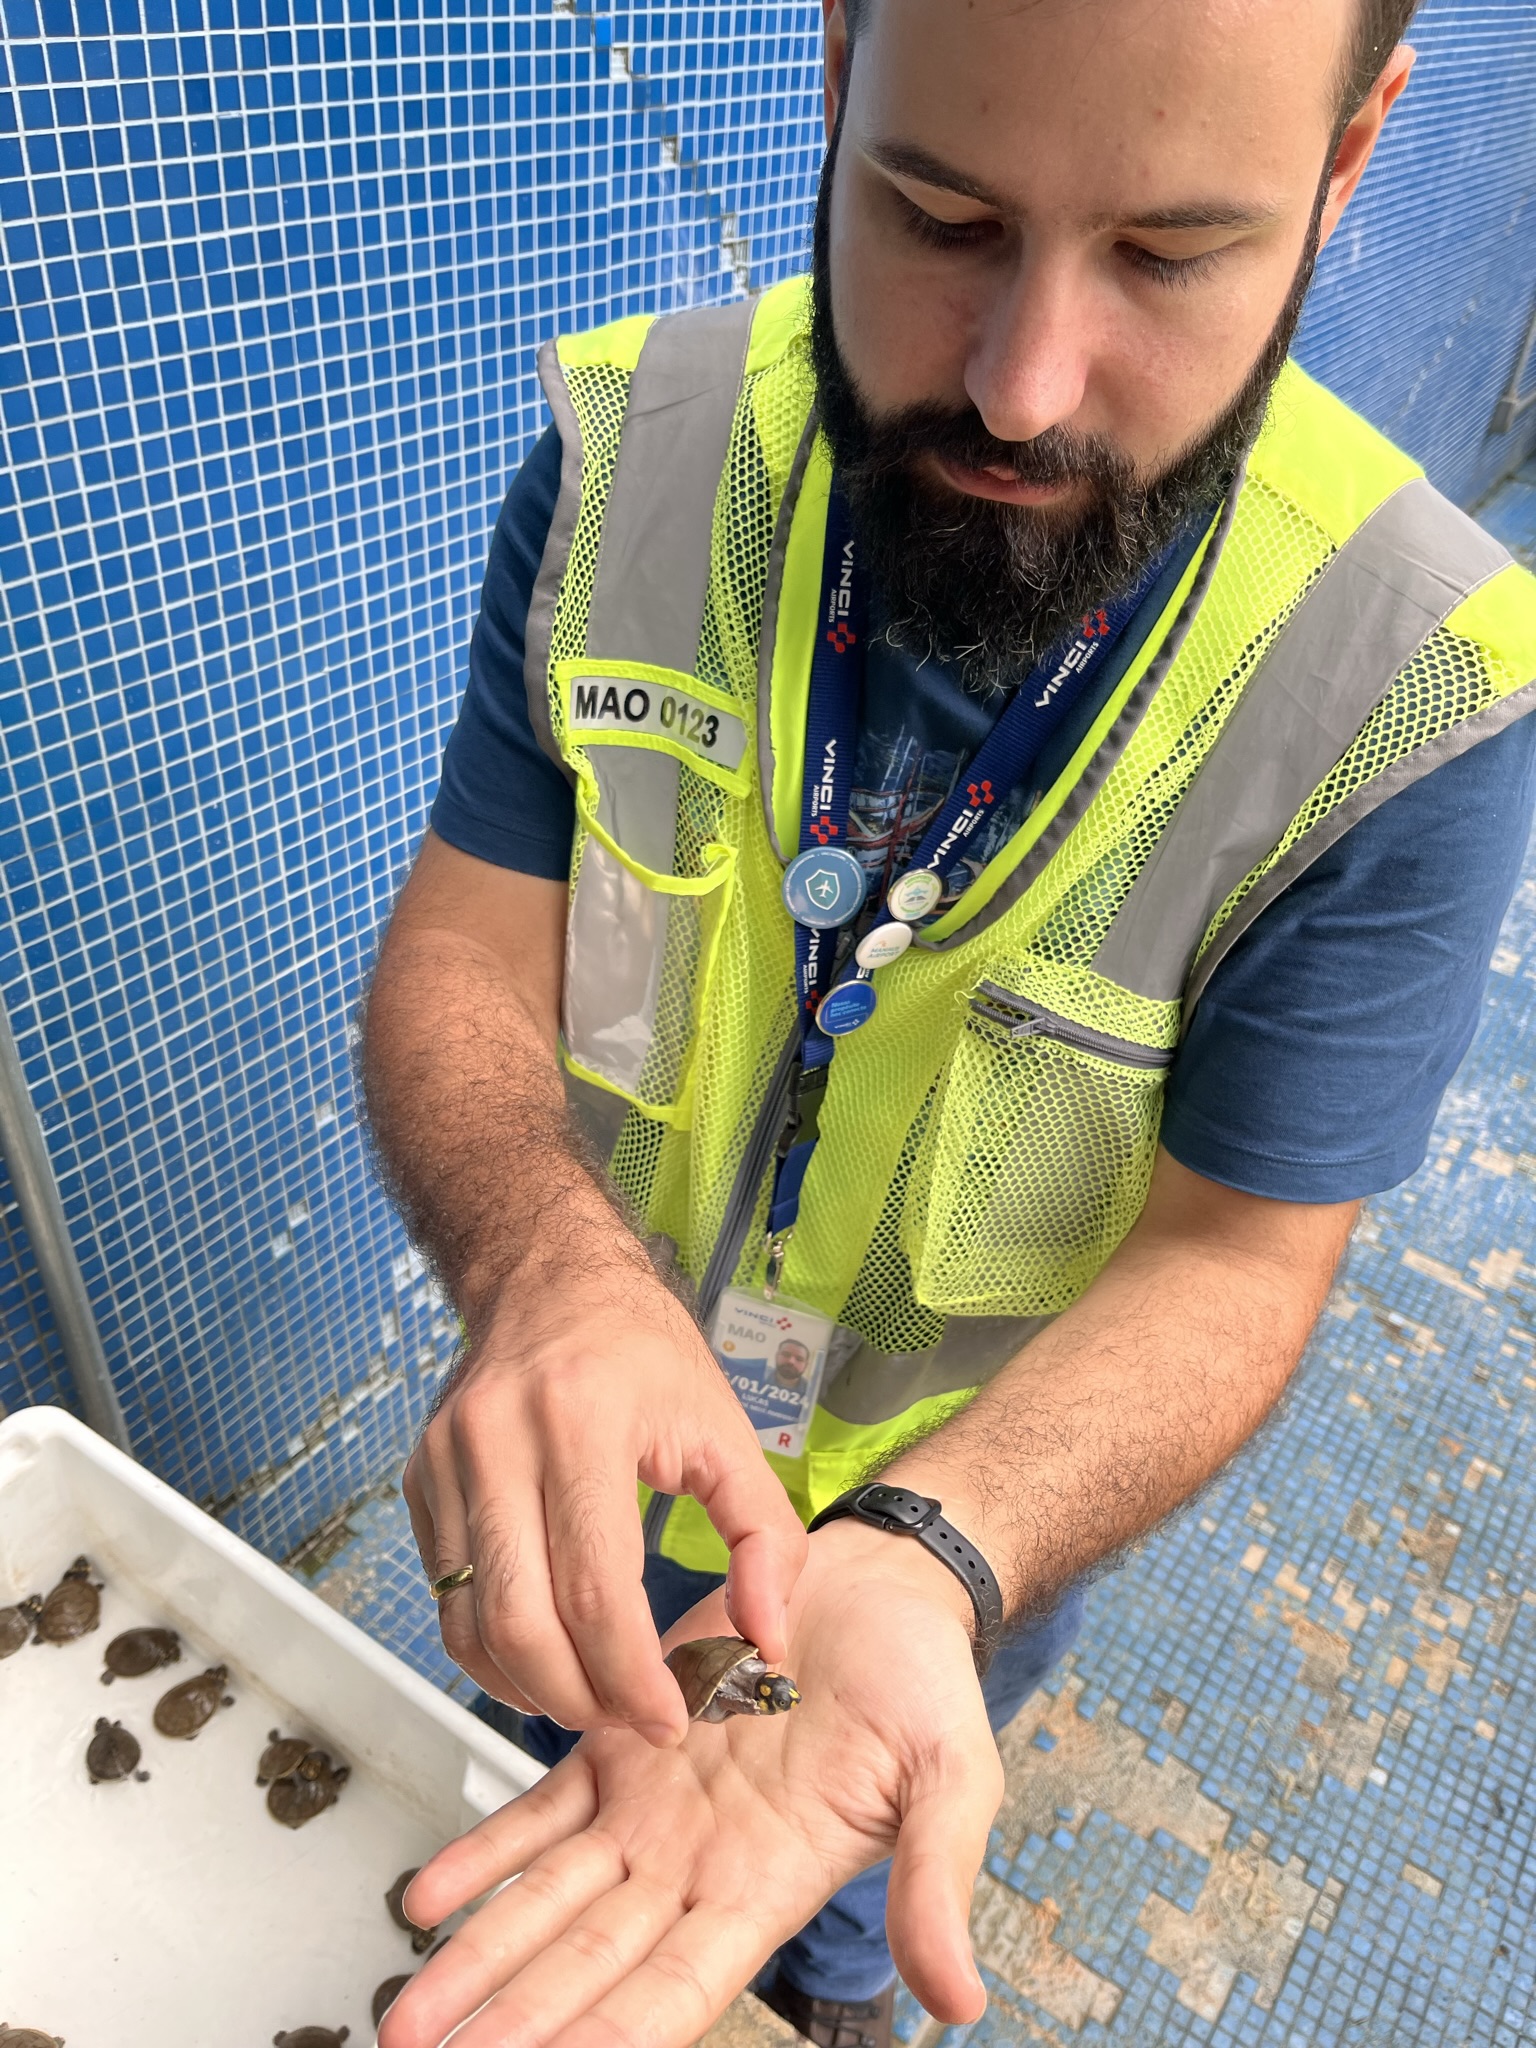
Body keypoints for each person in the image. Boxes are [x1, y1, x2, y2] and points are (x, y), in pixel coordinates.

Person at [363, 0, 1536, 2043]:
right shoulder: (641, 452)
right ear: (836, 63)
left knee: (835, 1885)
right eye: (936, 215)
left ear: (1352, 155)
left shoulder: (1413, 689)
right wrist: (545, 1273)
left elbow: (1238, 1252)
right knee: (541, 1788)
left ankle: (835, 1990)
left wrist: (933, 1547)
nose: (1020, 383)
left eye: (1169, 253)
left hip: (950, 1536)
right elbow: (469, 946)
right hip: (588, 1455)